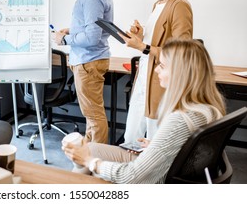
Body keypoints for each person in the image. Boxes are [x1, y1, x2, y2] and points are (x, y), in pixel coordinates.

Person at [62, 39, 226, 183]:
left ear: (180, 73)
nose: (156, 70)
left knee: (88, 160)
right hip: (174, 169)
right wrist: (157, 145)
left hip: (156, 181)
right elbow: (187, 150)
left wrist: (90, 161)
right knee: (91, 147)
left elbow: (130, 177)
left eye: (161, 65)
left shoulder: (179, 120)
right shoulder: (211, 109)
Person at [120, 0, 193, 145]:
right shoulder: (159, 4)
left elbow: (180, 54)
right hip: (144, 79)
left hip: (159, 85)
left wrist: (142, 47)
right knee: (131, 139)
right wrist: (142, 35)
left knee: (152, 144)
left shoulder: (180, 6)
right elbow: (156, 42)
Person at [54, 0, 114, 144]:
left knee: (94, 116)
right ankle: (90, 155)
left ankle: (97, 163)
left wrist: (65, 40)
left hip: (89, 61)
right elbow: (92, 28)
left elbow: (91, 38)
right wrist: (72, 30)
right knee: (92, 115)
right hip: (92, 59)